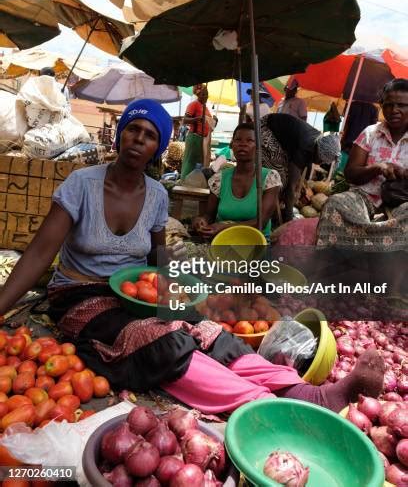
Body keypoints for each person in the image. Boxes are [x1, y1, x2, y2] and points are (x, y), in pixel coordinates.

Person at [0, 100, 384, 414]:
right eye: (132, 129)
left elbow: (153, 261)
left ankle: (298, 389)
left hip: (134, 293)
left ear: (159, 147)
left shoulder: (156, 195)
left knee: (207, 328)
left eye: (150, 135)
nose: (138, 139)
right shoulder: (80, 185)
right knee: (158, 340)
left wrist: (181, 290)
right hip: (80, 294)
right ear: (119, 135)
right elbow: (37, 255)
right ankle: (262, 403)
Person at [317, 79, 408, 250]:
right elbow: (350, 174)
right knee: (336, 203)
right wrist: (377, 167)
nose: (394, 110)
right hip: (365, 197)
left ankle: (389, 265)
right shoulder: (370, 133)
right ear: (381, 106)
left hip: (401, 201)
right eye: (388, 105)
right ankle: (333, 264)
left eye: (402, 105)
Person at [192, 123, 281, 240]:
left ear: (258, 147)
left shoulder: (270, 178)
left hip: (256, 244)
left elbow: (261, 222)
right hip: (222, 242)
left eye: (249, 140)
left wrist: (224, 227)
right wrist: (201, 221)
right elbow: (209, 215)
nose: (243, 144)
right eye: (238, 140)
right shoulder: (219, 179)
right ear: (232, 145)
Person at [260, 114, 341, 222]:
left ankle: (279, 207)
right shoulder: (306, 145)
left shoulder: (317, 141)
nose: (320, 163)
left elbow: (301, 172)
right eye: (321, 160)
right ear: (317, 150)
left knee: (286, 176)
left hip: (281, 135)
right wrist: (289, 219)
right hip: (266, 127)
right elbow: (291, 186)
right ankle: (268, 212)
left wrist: (302, 185)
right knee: (279, 177)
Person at [180, 85, 214, 180]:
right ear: (198, 95)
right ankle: (185, 182)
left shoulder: (205, 108)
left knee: (199, 164)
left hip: (203, 140)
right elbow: (185, 120)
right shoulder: (194, 104)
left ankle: (195, 183)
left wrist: (214, 120)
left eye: (206, 94)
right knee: (190, 163)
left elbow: (209, 123)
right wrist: (197, 119)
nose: (205, 96)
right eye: (203, 94)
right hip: (194, 138)